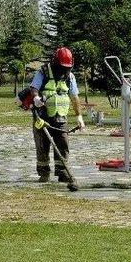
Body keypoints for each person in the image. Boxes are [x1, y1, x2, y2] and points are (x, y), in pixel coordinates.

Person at [30, 47, 85, 182]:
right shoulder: (43, 72)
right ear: (55, 62)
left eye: (67, 67)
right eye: (62, 66)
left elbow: (74, 96)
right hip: (42, 117)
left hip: (61, 118)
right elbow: (34, 88)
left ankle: (62, 172)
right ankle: (44, 174)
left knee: (63, 145)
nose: (64, 69)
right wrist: (36, 98)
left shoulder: (70, 77)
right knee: (42, 146)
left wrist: (79, 116)